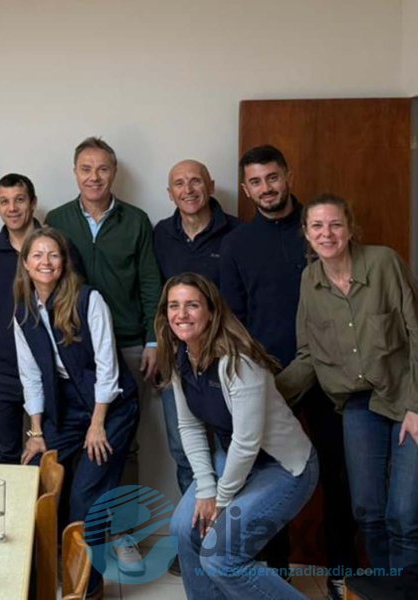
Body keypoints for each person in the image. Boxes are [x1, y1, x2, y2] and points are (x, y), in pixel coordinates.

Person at [221, 145, 357, 596]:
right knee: (270, 477)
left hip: (334, 374)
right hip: (271, 379)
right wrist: (256, 375)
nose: (266, 188)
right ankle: (276, 571)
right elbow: (234, 319)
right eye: (256, 182)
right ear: (246, 189)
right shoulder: (238, 243)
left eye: (273, 177)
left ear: (288, 175)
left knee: (339, 474)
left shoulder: (319, 227)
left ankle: (342, 574)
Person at [276, 194, 418, 571]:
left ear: (350, 228)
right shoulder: (310, 280)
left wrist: (417, 405)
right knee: (367, 511)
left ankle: (406, 590)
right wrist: (265, 397)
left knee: (404, 514)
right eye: (317, 226)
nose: (327, 233)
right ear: (306, 234)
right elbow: (308, 356)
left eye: (335, 224)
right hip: (358, 406)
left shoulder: (384, 262)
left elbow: (417, 333)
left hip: (406, 396)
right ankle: (386, 588)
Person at [156, 273, 318, 599]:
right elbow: (188, 427)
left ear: (212, 312)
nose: (182, 314)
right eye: (174, 306)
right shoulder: (179, 358)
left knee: (220, 557)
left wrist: (219, 499)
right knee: (183, 529)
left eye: (192, 305)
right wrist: (204, 486)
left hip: (283, 468)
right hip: (233, 460)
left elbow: (247, 440)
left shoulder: (238, 362)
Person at [45, 136, 160, 573]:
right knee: (77, 445)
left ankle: (123, 533)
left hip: (127, 342)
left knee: (123, 444)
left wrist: (152, 339)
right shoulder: (57, 218)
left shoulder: (136, 221)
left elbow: (150, 282)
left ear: (114, 173)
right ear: (75, 173)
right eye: (86, 169)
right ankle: (77, 536)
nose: (94, 177)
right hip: (74, 350)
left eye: (103, 169)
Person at [13, 227, 139, 598]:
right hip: (64, 407)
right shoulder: (22, 310)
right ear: (25, 264)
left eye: (53, 255)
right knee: (35, 478)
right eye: (37, 255)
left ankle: (87, 586)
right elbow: (31, 375)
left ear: (64, 262)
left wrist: (98, 424)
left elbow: (107, 367)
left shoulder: (88, 299)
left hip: (110, 406)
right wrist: (36, 432)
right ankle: (44, 573)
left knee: (86, 496)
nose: (45, 262)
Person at [153, 160, 239, 502]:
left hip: (225, 357)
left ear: (212, 185)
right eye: (179, 183)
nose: (188, 190)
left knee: (229, 446)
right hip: (177, 358)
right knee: (183, 447)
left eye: (195, 182)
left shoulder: (237, 232)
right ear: (170, 193)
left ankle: (229, 531)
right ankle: (197, 532)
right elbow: (152, 292)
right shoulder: (160, 233)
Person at [0, 173, 41, 464]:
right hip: (0, 373)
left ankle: (46, 511)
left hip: (44, 371)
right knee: (6, 455)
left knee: (48, 453)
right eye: (5, 202)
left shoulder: (53, 245)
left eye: (19, 200)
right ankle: (12, 512)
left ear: (33, 203)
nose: (12, 208)